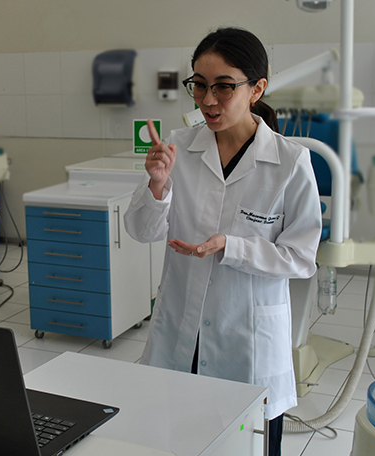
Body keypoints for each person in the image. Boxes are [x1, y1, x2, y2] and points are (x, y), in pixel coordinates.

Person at [123, 27, 323, 456]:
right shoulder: (178, 148)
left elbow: (301, 258)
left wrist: (232, 248)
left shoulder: (289, 162)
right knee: (179, 443)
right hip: (182, 334)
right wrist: (157, 185)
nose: (208, 99)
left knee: (248, 446)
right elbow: (142, 230)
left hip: (247, 343)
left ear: (257, 89)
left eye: (224, 87)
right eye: (199, 85)